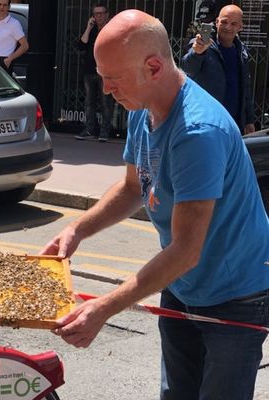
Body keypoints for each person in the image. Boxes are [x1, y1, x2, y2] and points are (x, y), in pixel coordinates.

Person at [41, 9, 269, 400]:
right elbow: (132, 188)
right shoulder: (141, 107)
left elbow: (185, 249)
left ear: (153, 66)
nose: (106, 88)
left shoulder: (198, 132)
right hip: (182, 286)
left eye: (113, 78)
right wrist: (76, 229)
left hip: (236, 298)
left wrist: (104, 308)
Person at [182, 5, 255, 135]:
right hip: (208, 123)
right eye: (224, 22)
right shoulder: (202, 45)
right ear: (216, 22)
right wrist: (197, 53)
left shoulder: (241, 52)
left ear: (240, 27)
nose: (228, 27)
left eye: (233, 24)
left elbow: (246, 88)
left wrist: (249, 120)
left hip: (234, 125)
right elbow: (188, 69)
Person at [75, 3, 114, 142]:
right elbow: (81, 45)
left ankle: (104, 132)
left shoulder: (111, 29)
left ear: (107, 15)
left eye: (101, 13)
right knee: (89, 102)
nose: (98, 16)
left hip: (105, 71)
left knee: (106, 102)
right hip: (89, 70)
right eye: (95, 14)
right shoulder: (91, 29)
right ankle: (90, 129)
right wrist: (88, 27)